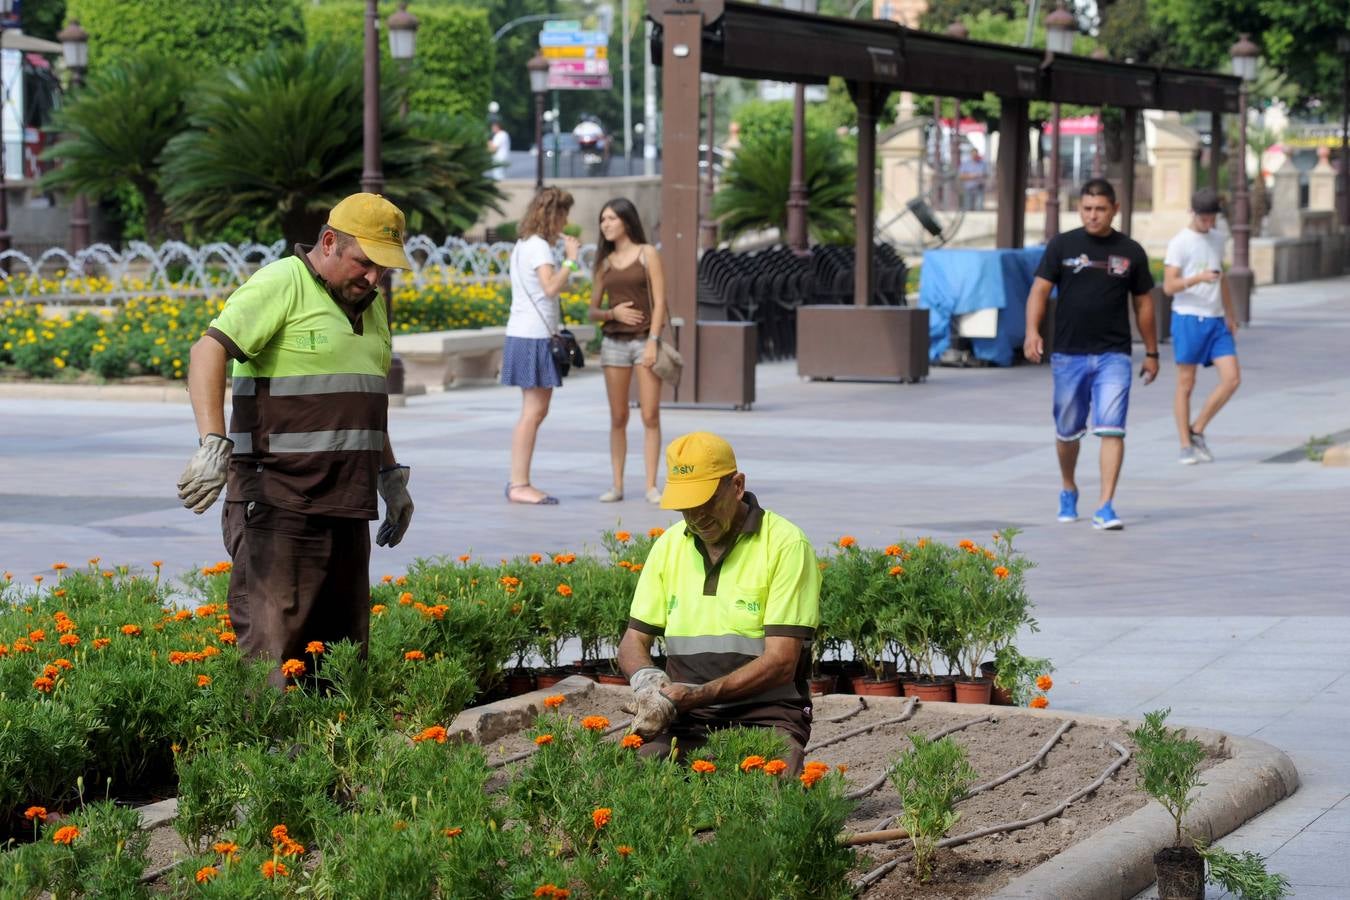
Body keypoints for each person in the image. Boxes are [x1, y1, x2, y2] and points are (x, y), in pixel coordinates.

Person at [177, 192, 415, 687]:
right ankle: (266, 742)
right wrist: (212, 442)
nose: (374, 278)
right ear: (329, 243)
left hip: (347, 506)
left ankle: (333, 742)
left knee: (341, 664)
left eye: (384, 268)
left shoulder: (371, 308)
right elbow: (207, 351)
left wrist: (390, 476)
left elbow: (364, 403)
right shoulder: (282, 283)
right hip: (279, 506)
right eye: (365, 262)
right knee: (273, 663)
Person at [617, 432, 821, 774]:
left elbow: (782, 661)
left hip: (767, 717)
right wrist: (647, 681)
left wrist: (697, 695)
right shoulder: (668, 546)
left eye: (706, 502)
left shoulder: (786, 545)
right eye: (686, 507)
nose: (697, 516)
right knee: (628, 783)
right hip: (684, 720)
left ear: (737, 486)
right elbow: (633, 640)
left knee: (771, 789)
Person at [1023, 178, 1157, 531]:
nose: (1093, 215)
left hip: (1114, 355)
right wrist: (1032, 331)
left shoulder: (1131, 251)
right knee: (1068, 431)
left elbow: (1144, 304)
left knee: (1112, 429)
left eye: (1100, 209)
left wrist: (1152, 351)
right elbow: (1039, 290)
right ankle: (1068, 487)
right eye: (1087, 209)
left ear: (1115, 209)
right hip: (1069, 354)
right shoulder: (1062, 245)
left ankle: (1105, 505)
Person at [502, 186, 580, 505]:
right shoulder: (539, 248)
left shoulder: (525, 244)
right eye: (564, 214)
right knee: (533, 412)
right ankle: (519, 483)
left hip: (524, 333)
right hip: (532, 336)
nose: (566, 222)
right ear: (553, 215)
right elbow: (549, 287)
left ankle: (519, 481)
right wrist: (571, 261)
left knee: (534, 411)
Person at [587, 198, 666, 504]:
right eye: (602, 219)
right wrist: (612, 314)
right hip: (614, 344)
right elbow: (592, 311)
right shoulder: (604, 263)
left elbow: (660, 302)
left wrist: (653, 341)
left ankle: (651, 486)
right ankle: (617, 485)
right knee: (618, 417)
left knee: (650, 414)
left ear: (626, 220)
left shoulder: (647, 253)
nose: (605, 224)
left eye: (611, 218)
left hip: (645, 341)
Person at [1163, 188, 1240, 465]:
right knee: (1186, 382)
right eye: (1203, 219)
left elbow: (1222, 278)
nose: (1208, 224)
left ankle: (1197, 429)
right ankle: (1185, 444)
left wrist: (1230, 314)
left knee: (1232, 378)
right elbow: (1169, 286)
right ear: (1192, 213)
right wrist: (1197, 278)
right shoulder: (1179, 243)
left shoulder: (1218, 239)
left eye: (1212, 219)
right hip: (1188, 317)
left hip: (1216, 319)